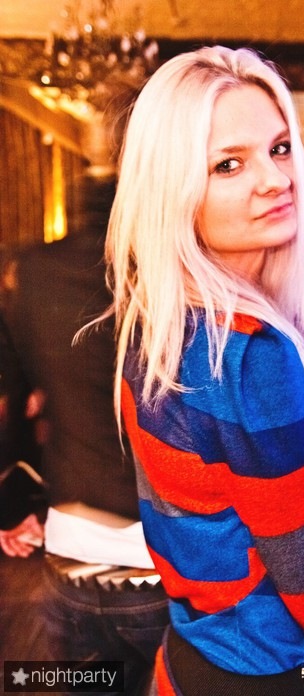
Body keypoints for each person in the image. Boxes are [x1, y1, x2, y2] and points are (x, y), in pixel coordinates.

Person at [105, 45, 304, 696]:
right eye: (228, 163)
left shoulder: (157, 325)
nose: (276, 179)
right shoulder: (250, 354)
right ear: (174, 192)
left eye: (280, 149)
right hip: (258, 667)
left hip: (191, 649)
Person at [1, 171, 169, 695]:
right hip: (158, 556)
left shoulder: (33, 271)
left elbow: (13, 400)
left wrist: (11, 505)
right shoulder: (160, 276)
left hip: (71, 550)